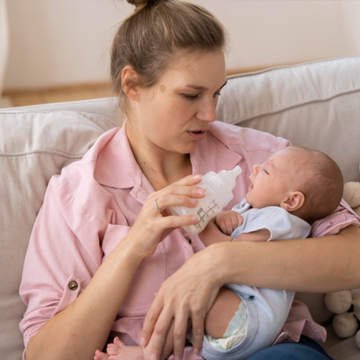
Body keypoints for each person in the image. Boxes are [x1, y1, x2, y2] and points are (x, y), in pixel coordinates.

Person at [19, 1, 360, 360]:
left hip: (267, 352)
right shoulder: (77, 196)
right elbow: (46, 354)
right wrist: (132, 247)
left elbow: (352, 256)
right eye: (191, 95)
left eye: (216, 93)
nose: (210, 114)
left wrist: (218, 263)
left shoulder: (262, 160)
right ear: (133, 84)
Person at [96, 146, 343, 360]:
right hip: (239, 315)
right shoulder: (256, 210)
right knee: (187, 303)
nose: (255, 168)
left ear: (291, 201)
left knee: (191, 299)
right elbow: (236, 236)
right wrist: (222, 217)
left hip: (250, 318)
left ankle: (150, 353)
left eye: (266, 170)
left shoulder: (281, 220)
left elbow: (234, 253)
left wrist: (199, 224)